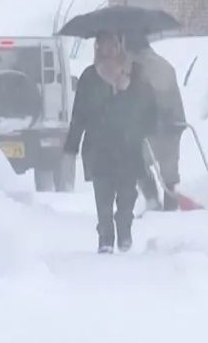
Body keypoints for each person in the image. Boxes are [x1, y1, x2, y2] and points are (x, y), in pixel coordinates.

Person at [64, 31, 157, 253]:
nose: (108, 50)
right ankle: (105, 237)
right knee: (103, 195)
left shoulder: (135, 73)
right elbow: (79, 114)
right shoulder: (89, 76)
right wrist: (71, 146)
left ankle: (124, 230)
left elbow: (149, 106)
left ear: (120, 47)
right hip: (99, 146)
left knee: (127, 194)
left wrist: (129, 91)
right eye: (103, 45)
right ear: (97, 48)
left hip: (128, 146)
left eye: (112, 45)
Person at [124, 31, 187, 211]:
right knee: (169, 170)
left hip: (156, 126)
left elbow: (146, 99)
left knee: (136, 162)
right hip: (174, 123)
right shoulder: (163, 65)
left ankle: (153, 201)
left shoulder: (141, 68)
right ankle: (170, 207)